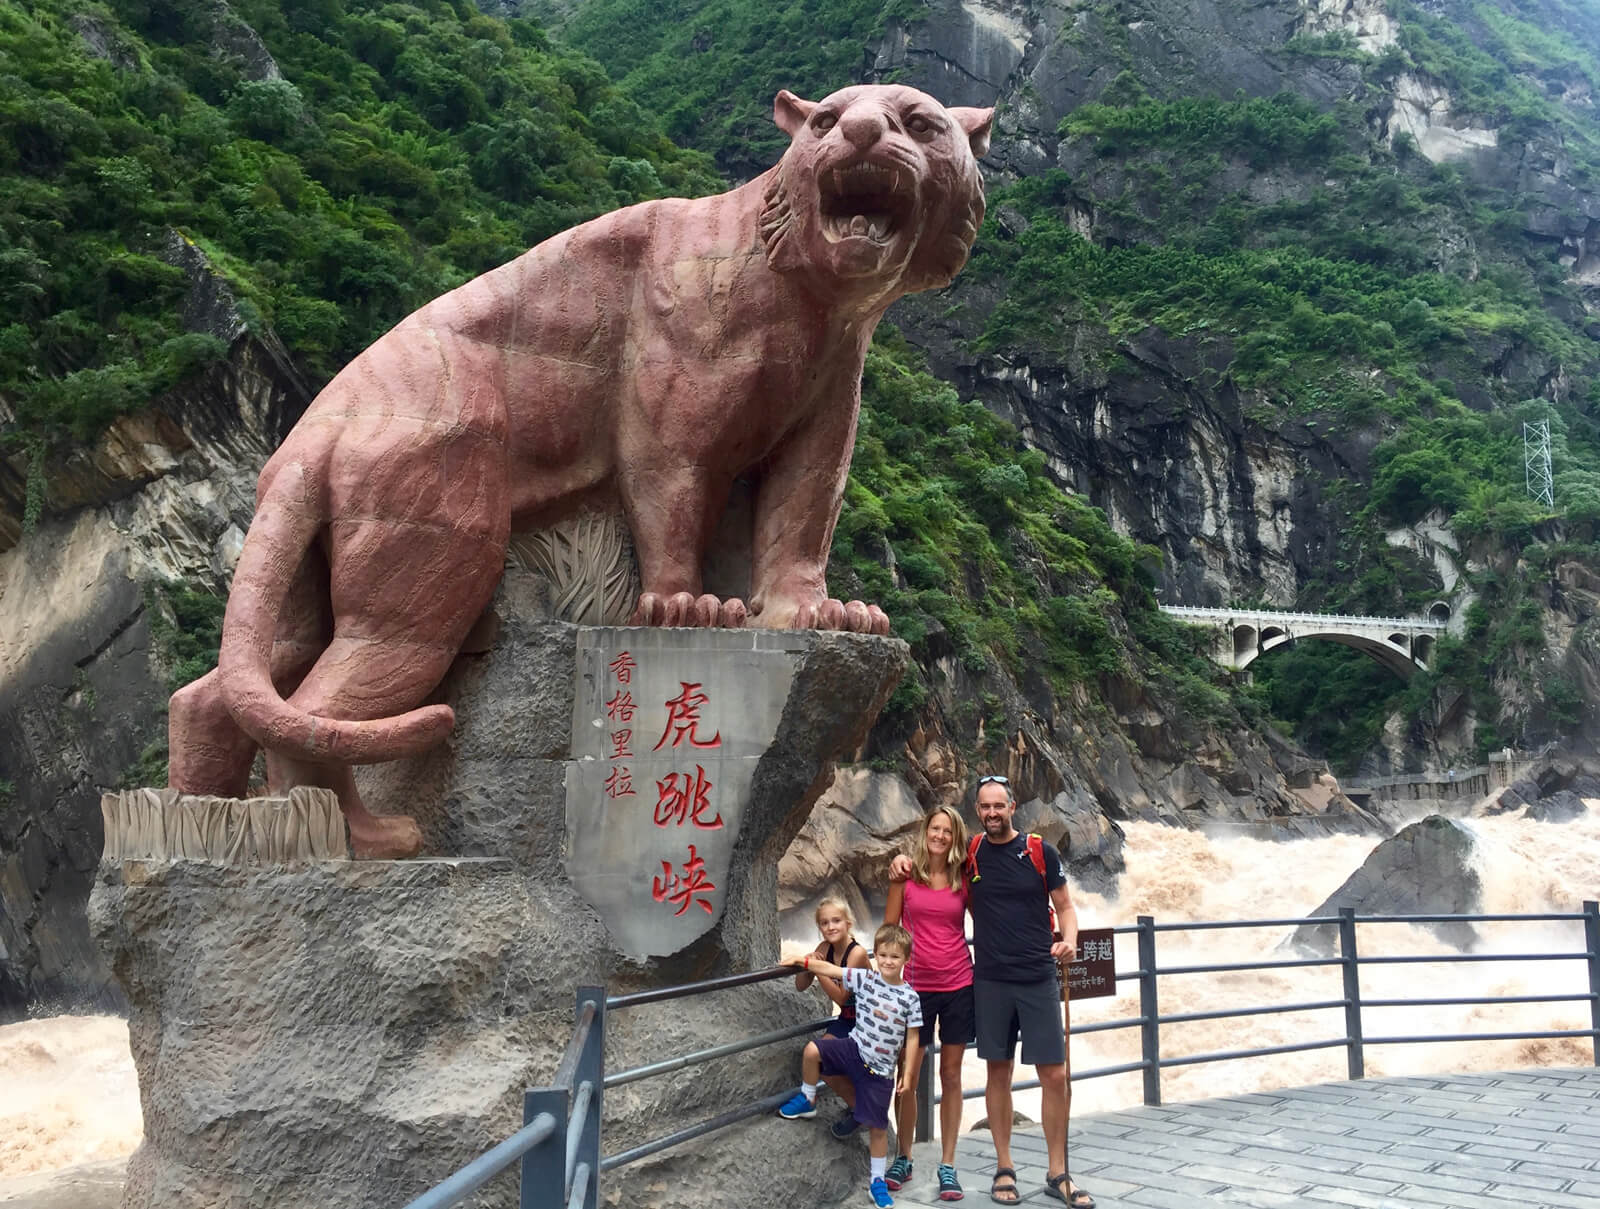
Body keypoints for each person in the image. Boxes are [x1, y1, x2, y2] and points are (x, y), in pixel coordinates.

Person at [891, 776, 1091, 1208]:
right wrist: (901, 863)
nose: (992, 813)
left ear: (1012, 806)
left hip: (1038, 975)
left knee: (1054, 1074)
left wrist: (1070, 941)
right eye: (984, 807)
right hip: (990, 979)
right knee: (997, 1073)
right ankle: (1005, 1166)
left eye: (998, 806)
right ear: (977, 810)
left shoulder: (1041, 851)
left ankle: (1059, 1171)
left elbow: (1066, 907)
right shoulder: (973, 855)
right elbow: (934, 866)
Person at [778, 924, 924, 1209]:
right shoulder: (866, 979)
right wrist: (801, 961)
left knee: (878, 1128)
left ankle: (877, 1183)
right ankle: (808, 1098)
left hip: (881, 1070)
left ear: (906, 959)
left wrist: (907, 1074)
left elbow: (914, 1036)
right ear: (876, 954)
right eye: (882, 955)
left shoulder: (910, 997)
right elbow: (832, 971)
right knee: (812, 1051)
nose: (887, 962)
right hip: (853, 1049)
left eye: (894, 957)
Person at [882, 806, 972, 1201]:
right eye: (934, 828)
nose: (939, 836)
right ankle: (904, 1155)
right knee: (907, 1077)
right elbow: (888, 933)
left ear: (955, 837)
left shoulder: (965, 877)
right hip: (914, 989)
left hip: (958, 985)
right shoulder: (905, 876)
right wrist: (886, 986)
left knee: (951, 1076)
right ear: (925, 832)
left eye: (947, 831)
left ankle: (948, 1164)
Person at [795, 896, 873, 1039]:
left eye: (836, 921)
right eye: (824, 923)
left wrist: (817, 969)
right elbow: (800, 986)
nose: (831, 927)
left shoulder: (856, 953)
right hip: (846, 1019)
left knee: (824, 1052)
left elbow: (841, 998)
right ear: (819, 928)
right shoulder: (824, 948)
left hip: (870, 1021)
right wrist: (808, 960)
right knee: (816, 1052)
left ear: (848, 924)